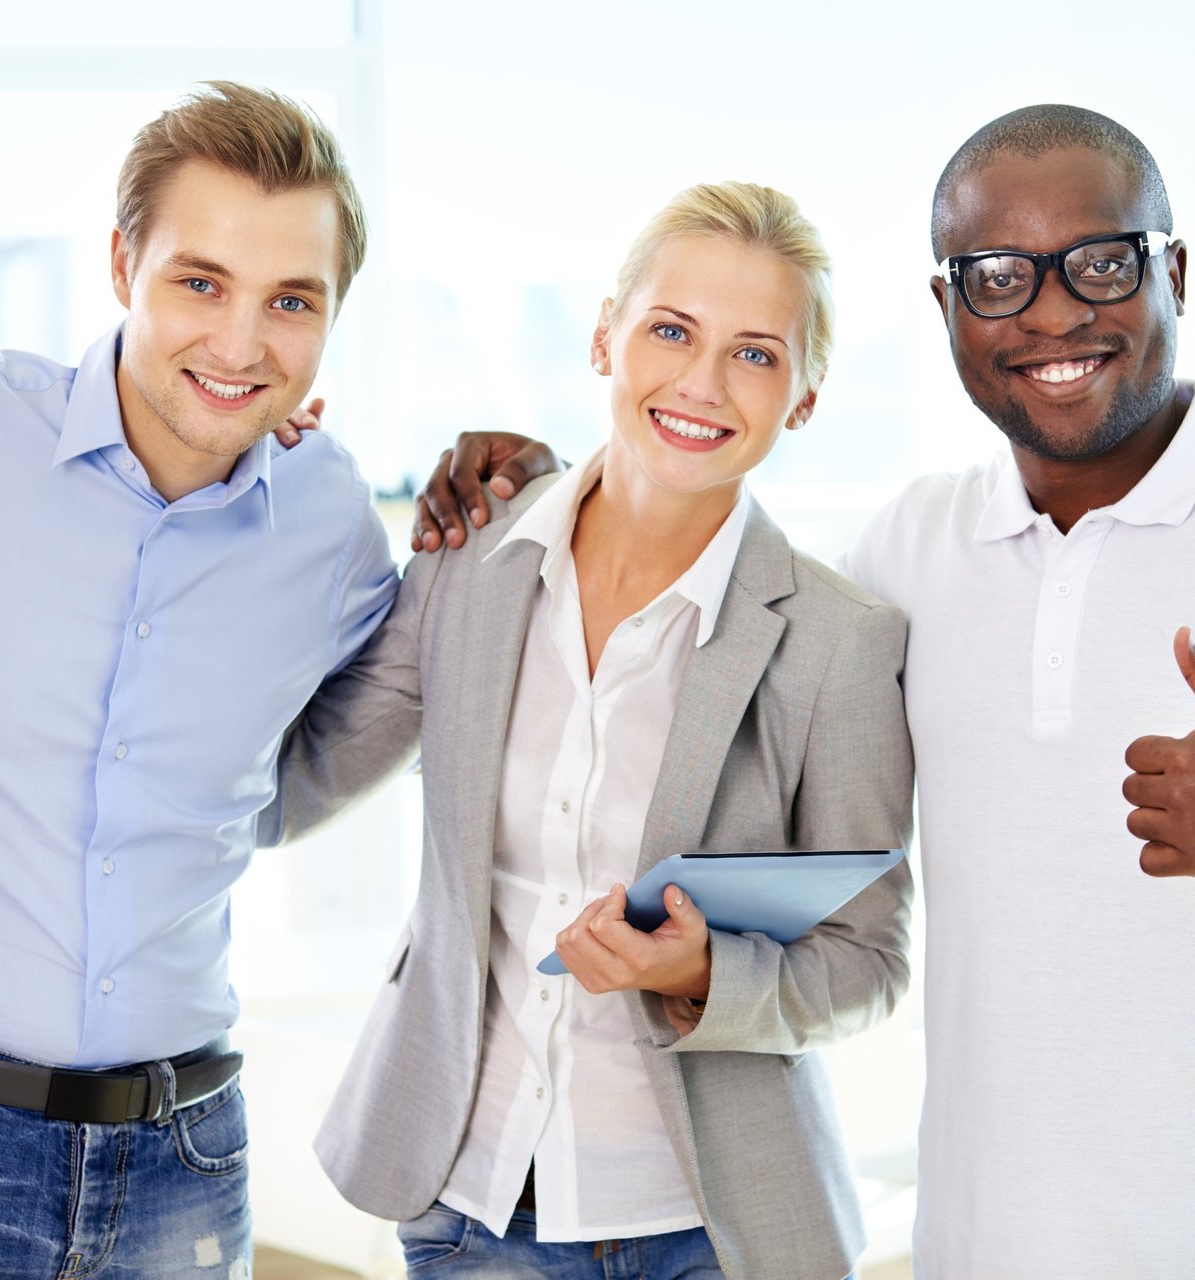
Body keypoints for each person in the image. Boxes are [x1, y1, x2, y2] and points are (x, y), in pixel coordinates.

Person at [417, 105, 1195, 1278]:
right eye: (997, 276)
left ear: (1173, 271)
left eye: (1100, 262)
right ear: (947, 309)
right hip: (981, 1248)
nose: (1051, 312)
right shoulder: (909, 553)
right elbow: (699, 553)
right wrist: (521, 479)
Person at [0, 83, 397, 1278]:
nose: (239, 342)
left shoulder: (331, 524)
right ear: (123, 263)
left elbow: (455, 662)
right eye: (199, 282)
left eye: (290, 302)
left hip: (183, 1162)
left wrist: (502, 474)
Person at [264, 182, 914, 1280]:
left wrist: (708, 971)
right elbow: (291, 786)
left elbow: (869, 961)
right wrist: (256, 495)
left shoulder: (839, 643)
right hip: (474, 1207)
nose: (702, 383)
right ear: (606, 333)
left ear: (804, 396)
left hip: (715, 1224)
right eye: (671, 330)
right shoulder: (468, 562)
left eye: (756, 353)